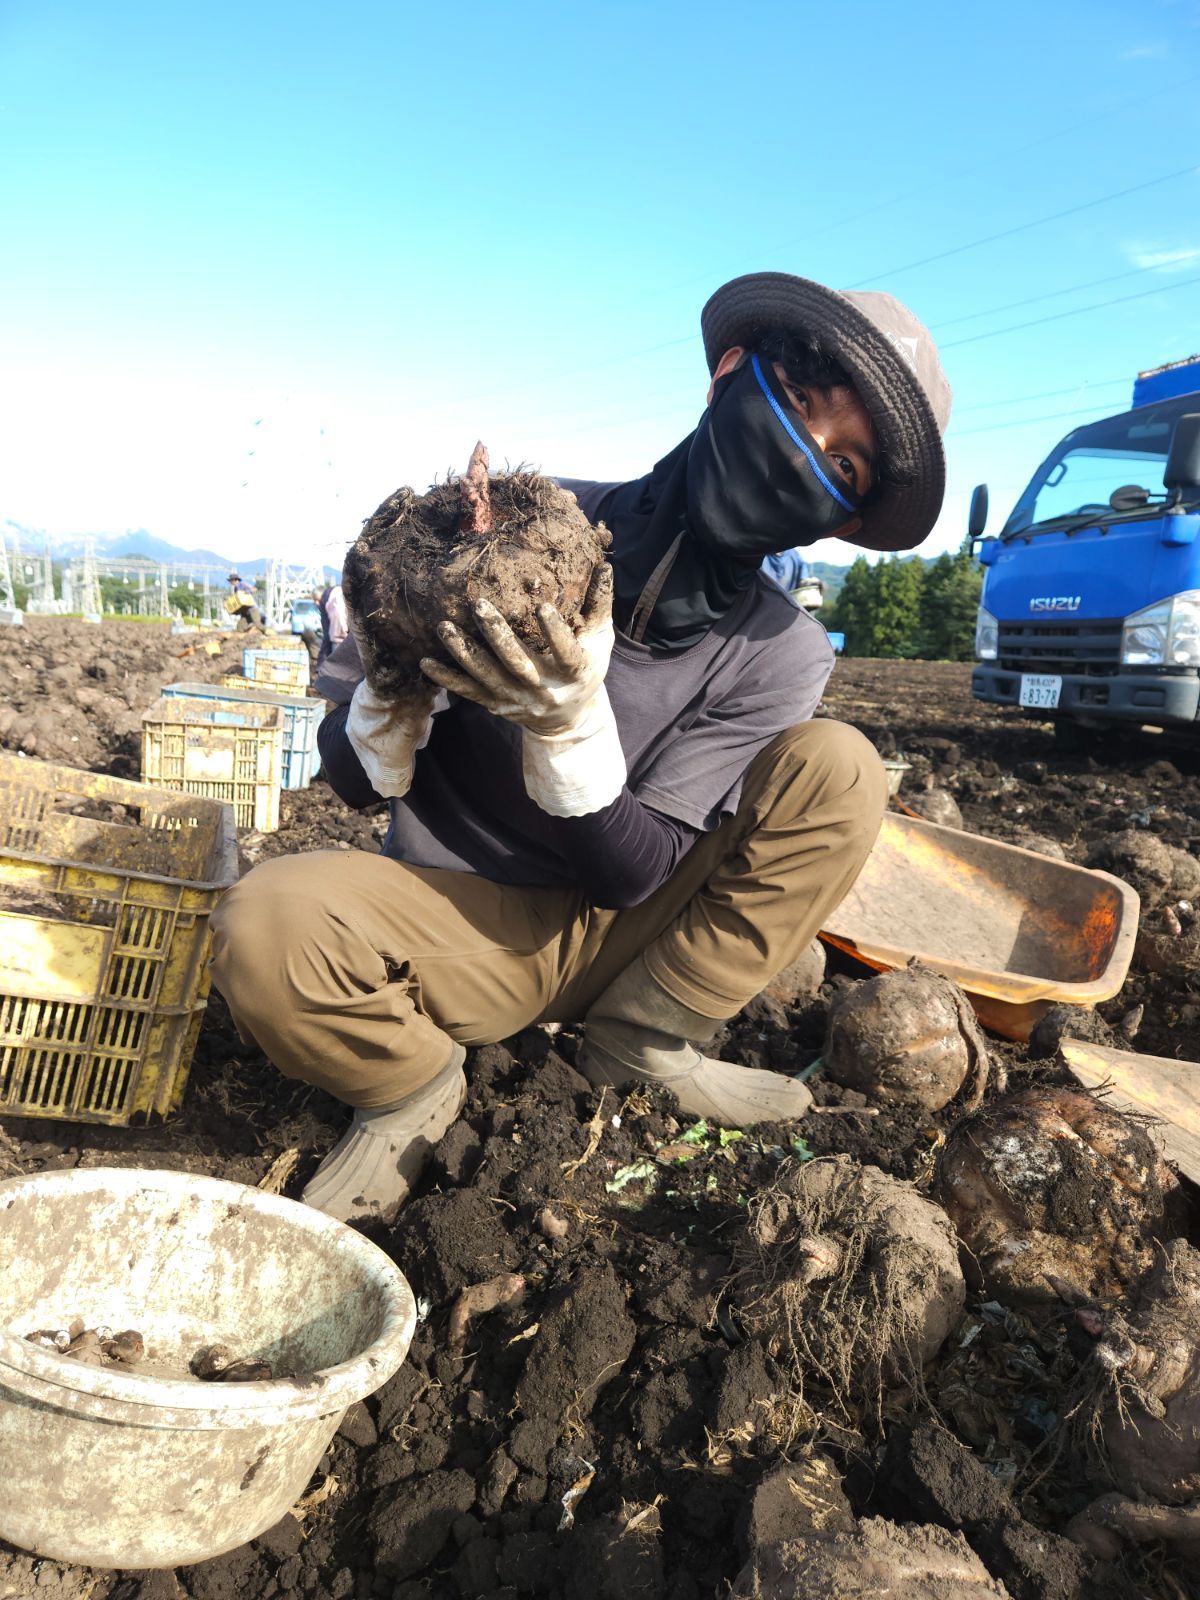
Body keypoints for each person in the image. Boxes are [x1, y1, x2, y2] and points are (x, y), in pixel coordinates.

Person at [210, 271, 952, 1224]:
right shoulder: (517, 528)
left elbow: (629, 878)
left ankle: (643, 1043)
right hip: (452, 918)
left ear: (842, 520)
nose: (804, 452)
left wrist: (565, 726)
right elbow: (353, 786)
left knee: (839, 770)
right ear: (729, 372)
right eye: (800, 405)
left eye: (843, 467)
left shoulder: (779, 650)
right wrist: (395, 690)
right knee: (268, 924)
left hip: (626, 929)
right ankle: (408, 1084)